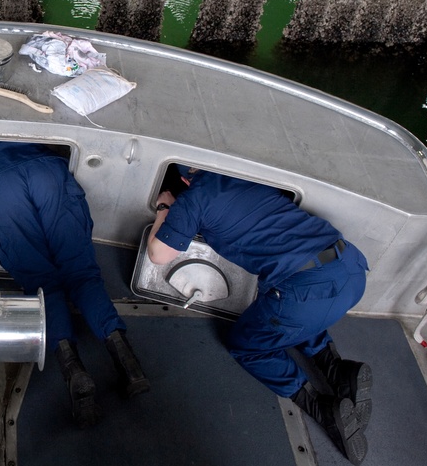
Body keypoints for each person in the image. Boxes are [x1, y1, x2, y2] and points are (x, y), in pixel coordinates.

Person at [147, 167, 372, 465]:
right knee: (302, 310)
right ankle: (337, 369)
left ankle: (320, 406)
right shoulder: (249, 172)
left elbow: (158, 254)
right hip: (351, 269)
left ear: (186, 179)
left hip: (304, 291)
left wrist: (164, 208)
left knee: (248, 344)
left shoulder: (193, 199)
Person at [0, 139, 149, 428]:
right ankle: (128, 363)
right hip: (44, 171)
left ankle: (74, 371)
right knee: (82, 273)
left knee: (42, 284)